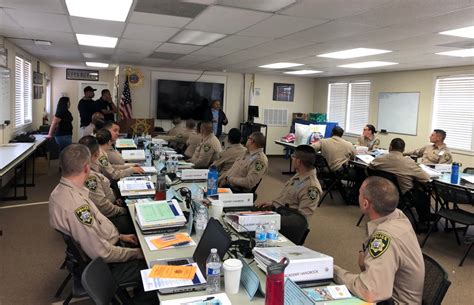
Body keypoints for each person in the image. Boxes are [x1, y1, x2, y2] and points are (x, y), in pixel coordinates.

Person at [48, 144, 156, 304]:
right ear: (86, 168)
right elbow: (103, 253)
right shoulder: (77, 206)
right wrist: (137, 254)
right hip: (106, 268)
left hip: (101, 252)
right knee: (155, 269)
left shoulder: (61, 192)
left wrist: (120, 236)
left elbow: (94, 231)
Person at [333, 176, 424, 304]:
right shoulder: (397, 215)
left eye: (359, 193)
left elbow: (371, 291)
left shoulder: (385, 237)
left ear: (365, 204)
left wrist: (334, 271)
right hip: (390, 293)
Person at [78, 136, 134, 234]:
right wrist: (124, 210)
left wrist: (114, 199)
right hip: (104, 219)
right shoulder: (90, 176)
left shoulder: (81, 168)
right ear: (96, 154)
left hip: (105, 209)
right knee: (133, 220)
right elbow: (103, 207)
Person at [369, 138, 431, 223]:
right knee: (423, 194)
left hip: (381, 191)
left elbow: (369, 169)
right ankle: (424, 219)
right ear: (403, 149)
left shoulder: (379, 159)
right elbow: (426, 178)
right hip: (403, 195)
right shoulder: (409, 163)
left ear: (390, 147)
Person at [256, 145, 322, 220]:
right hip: (280, 211)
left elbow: (302, 220)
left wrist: (273, 219)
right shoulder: (300, 174)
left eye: (293, 156)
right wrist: (273, 204)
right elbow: (288, 199)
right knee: (250, 212)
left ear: (298, 161)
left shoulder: (311, 187)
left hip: (286, 220)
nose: (291, 157)